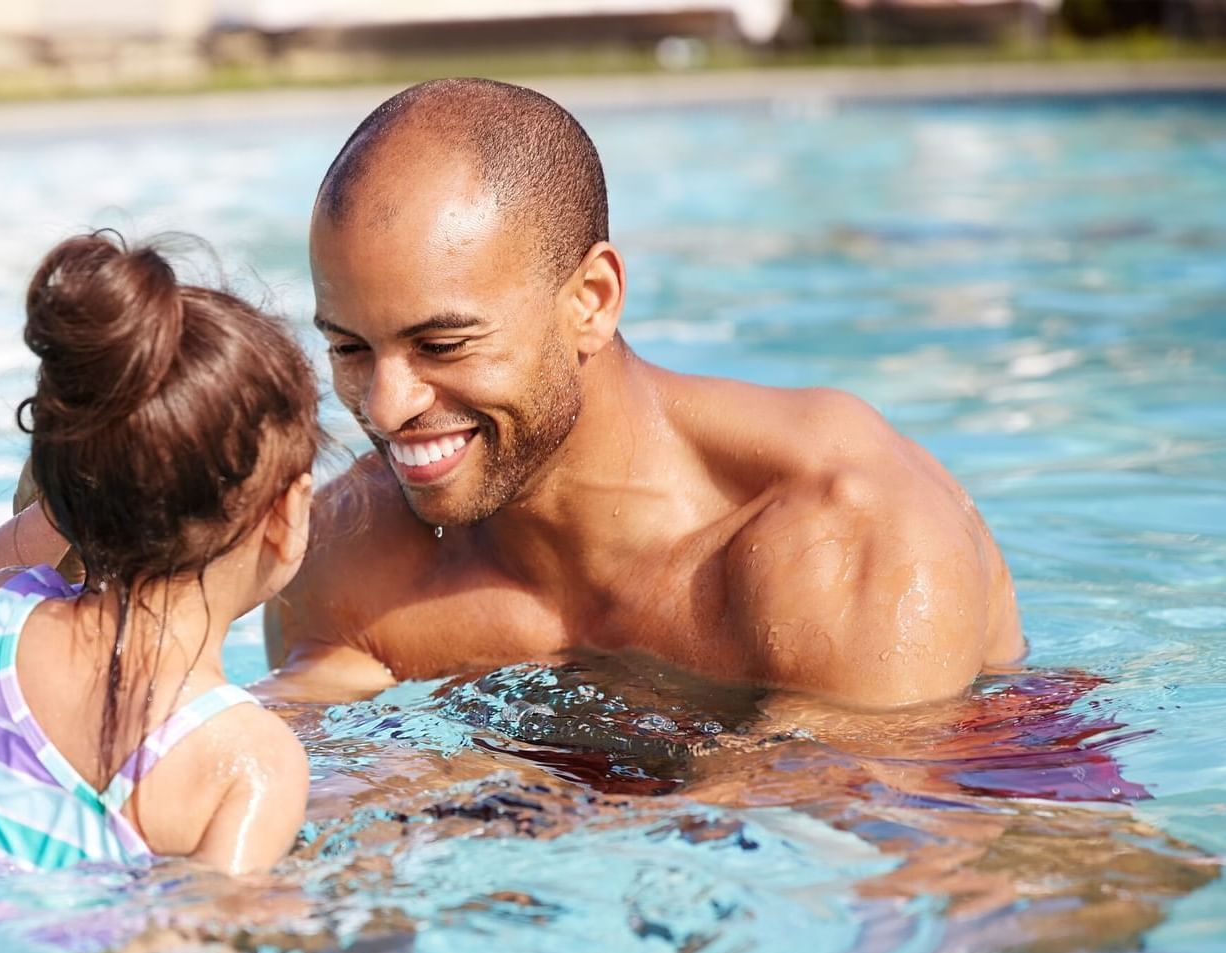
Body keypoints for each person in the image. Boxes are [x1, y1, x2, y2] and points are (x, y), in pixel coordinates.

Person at [265, 78, 1025, 711]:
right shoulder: (346, 561)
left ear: (590, 301)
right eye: (349, 348)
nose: (386, 406)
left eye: (442, 346)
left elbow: (862, 848)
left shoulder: (841, 532)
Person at [0, 232, 319, 875]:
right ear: (289, 515)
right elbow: (206, 932)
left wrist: (69, 498)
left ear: (68, 496)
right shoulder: (251, 760)